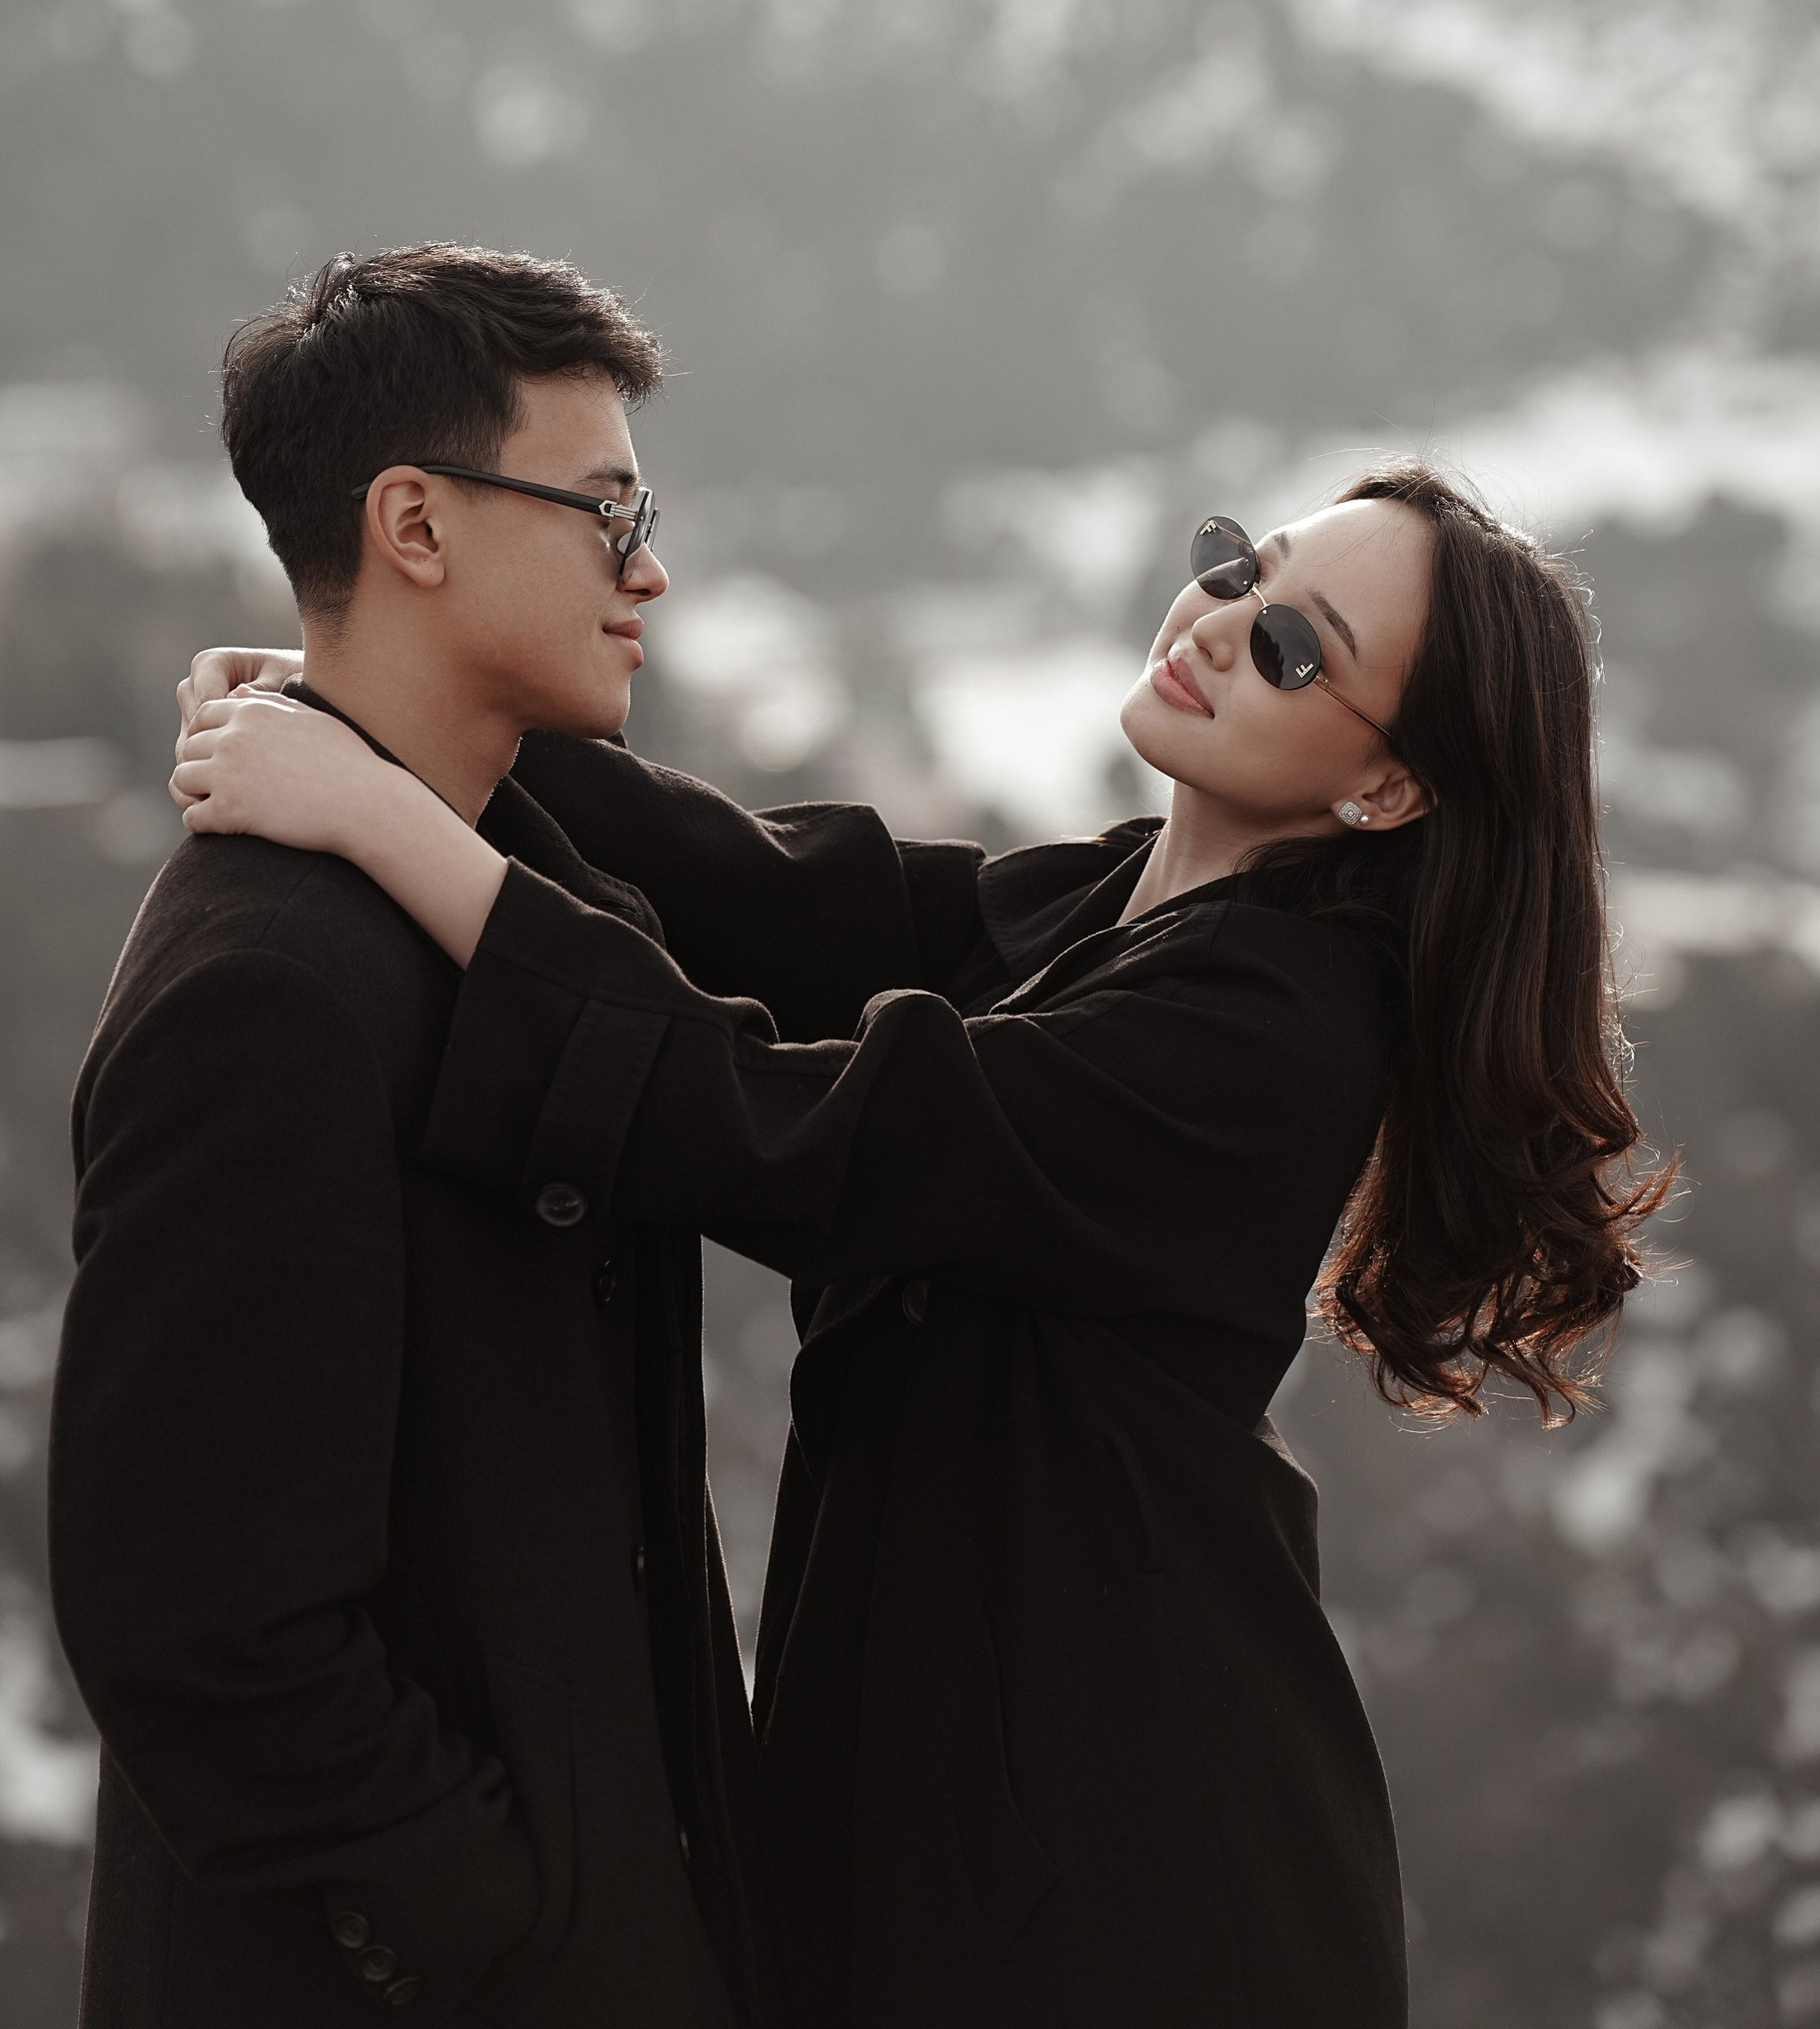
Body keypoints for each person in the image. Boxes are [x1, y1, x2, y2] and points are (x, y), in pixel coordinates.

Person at [174, 463, 1666, 2029]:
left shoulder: (1270, 1034)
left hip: (1124, 1870)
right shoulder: (1124, 903)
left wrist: (378, 814)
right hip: (982, 1796)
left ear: (1390, 789)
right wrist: (390, 710)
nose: (1223, 625)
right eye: (1240, 566)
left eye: (1297, 649)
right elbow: (781, 897)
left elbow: (783, 1129)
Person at [53, 243, 906, 2029]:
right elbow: (197, 1626)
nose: (648, 569)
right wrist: (509, 1921)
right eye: (606, 513)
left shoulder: (508, 897)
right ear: (416, 525)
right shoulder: (268, 990)